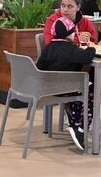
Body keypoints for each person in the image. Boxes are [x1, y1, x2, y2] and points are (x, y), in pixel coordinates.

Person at [36, 17, 97, 150]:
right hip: (66, 89)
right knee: (91, 90)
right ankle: (79, 126)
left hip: (48, 88)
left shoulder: (48, 48)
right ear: (71, 33)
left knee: (82, 86)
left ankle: (74, 122)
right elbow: (87, 58)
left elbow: (39, 67)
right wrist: (91, 48)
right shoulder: (71, 49)